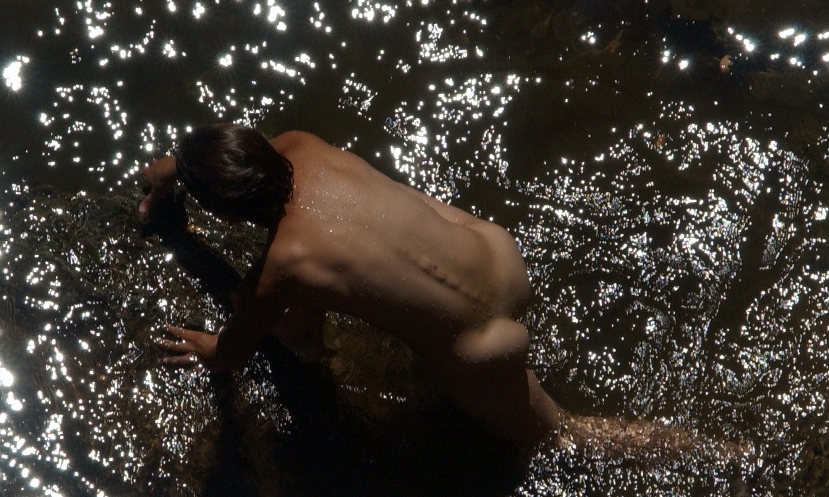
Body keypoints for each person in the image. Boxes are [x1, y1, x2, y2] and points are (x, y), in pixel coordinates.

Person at [139, 124, 567, 446]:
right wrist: (169, 172)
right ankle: (308, 326)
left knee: (561, 440)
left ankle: (634, 447)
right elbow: (231, 159)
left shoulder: (282, 268)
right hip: (499, 256)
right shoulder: (300, 144)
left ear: (229, 216)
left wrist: (206, 347)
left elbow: (228, 355)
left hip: (484, 347)